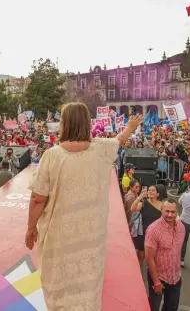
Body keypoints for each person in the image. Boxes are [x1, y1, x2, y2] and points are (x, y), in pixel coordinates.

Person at [24, 102, 141, 310]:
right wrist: (130, 128)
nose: (59, 124)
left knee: (59, 290)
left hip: (59, 238)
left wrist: (31, 227)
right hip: (91, 238)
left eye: (60, 120)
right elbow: (119, 141)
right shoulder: (101, 149)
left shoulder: (52, 156)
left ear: (67, 124)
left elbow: (38, 198)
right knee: (87, 287)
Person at [144, 199, 186, 311]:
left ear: (177, 212)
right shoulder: (153, 230)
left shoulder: (181, 228)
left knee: (171, 308)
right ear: (161, 210)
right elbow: (149, 258)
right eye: (167, 211)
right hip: (158, 277)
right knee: (154, 307)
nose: (170, 215)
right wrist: (156, 282)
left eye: (173, 212)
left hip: (175, 278)